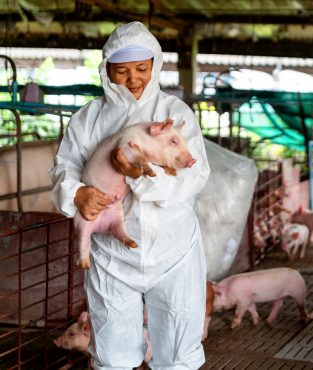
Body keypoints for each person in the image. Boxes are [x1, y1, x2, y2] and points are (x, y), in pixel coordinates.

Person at [49, 21, 210, 369]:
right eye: (121, 71)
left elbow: (194, 177)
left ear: (156, 65)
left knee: (179, 351)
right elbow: (64, 168)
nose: (133, 78)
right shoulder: (89, 118)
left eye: (141, 68)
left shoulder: (175, 114)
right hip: (112, 256)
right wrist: (77, 194)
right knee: (112, 353)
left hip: (173, 250)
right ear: (107, 70)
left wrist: (138, 177)